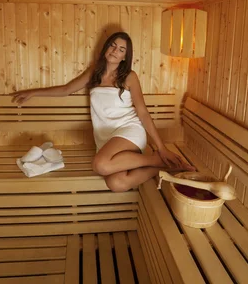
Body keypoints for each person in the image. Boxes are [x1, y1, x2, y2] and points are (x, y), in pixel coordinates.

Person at [10, 31, 195, 192]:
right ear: (106, 48)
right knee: (116, 183)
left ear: (125, 56)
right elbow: (66, 89)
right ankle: (160, 167)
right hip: (106, 137)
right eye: (113, 46)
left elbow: (143, 113)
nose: (115, 51)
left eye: (121, 49)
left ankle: (155, 159)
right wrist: (33, 92)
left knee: (100, 165)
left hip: (129, 130)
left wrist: (161, 147)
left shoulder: (129, 77)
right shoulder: (94, 73)